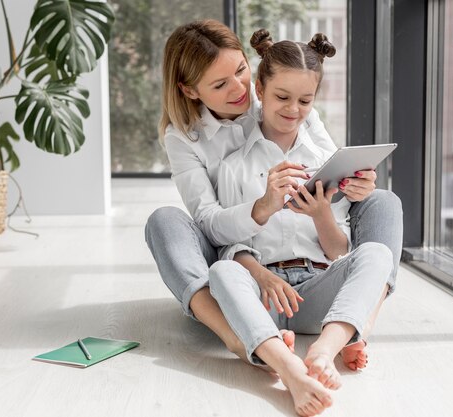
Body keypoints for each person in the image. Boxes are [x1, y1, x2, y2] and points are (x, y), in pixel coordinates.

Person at [144, 17, 402, 406]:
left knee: (383, 205)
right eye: (220, 84)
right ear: (189, 90)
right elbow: (213, 228)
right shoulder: (197, 143)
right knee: (189, 241)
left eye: (241, 71)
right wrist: (262, 211)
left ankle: (354, 330)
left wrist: (351, 188)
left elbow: (332, 182)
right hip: (245, 260)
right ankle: (243, 339)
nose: (240, 89)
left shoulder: (290, 103)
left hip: (315, 280)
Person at [208, 29, 393, 416]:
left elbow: (340, 253)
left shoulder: (326, 159)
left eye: (305, 100)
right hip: (265, 296)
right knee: (223, 270)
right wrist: (264, 272)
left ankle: (326, 350)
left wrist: (322, 212)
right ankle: (285, 361)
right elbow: (228, 244)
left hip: (317, 290)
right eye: (282, 97)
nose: (294, 110)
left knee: (376, 253)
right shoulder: (234, 165)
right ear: (259, 89)